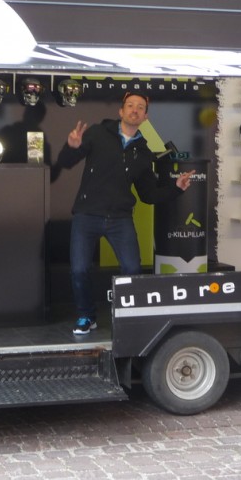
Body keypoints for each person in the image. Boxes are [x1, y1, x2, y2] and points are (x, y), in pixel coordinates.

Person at [58, 91, 195, 335]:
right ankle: (86, 316)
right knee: (79, 269)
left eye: (140, 107)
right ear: (121, 111)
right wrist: (72, 147)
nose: (134, 110)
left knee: (132, 269)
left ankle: (127, 316)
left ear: (145, 117)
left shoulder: (143, 152)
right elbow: (66, 162)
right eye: (130, 105)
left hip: (120, 219)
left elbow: (148, 195)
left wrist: (176, 188)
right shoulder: (98, 133)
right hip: (87, 214)